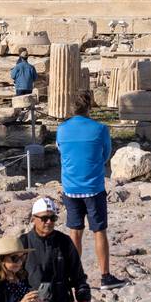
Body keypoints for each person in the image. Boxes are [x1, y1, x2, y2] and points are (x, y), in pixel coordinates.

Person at [57, 91, 125, 287]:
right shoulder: (100, 129)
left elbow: (61, 151)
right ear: (89, 108)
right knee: (99, 231)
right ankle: (105, 276)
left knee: (74, 232)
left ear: (71, 108)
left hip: (70, 187)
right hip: (93, 187)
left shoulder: (61, 129)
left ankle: (73, 277)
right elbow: (105, 155)